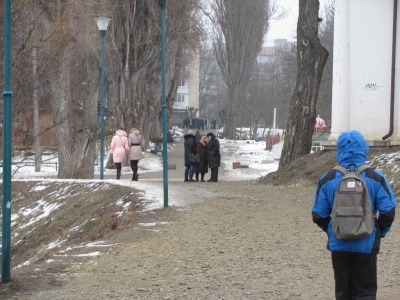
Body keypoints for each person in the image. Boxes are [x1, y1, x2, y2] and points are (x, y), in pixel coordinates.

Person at [311, 130, 396, 299]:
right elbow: (388, 210)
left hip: (339, 244)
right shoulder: (375, 177)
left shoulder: (327, 178)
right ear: (363, 149)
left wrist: (333, 229)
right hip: (366, 244)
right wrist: (377, 231)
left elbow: (318, 214)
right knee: (365, 292)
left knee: (343, 293)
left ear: (339, 150)